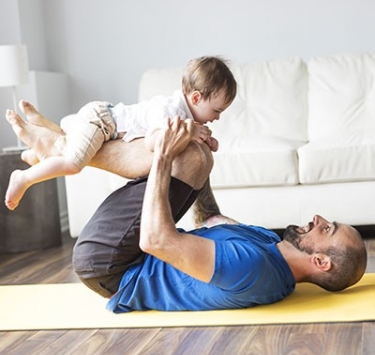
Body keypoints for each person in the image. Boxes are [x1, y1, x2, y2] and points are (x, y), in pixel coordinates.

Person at [4, 105, 368, 312]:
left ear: (322, 262)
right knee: (195, 155)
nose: (318, 220)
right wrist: (201, 151)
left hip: (111, 264)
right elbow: (209, 217)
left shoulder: (256, 268)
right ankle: (62, 150)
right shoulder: (268, 246)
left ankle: (63, 150)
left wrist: (165, 154)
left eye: (327, 229)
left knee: (182, 155)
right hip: (127, 251)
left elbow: (156, 240)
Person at [4, 55, 237, 210]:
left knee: (67, 146)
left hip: (107, 123)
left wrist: (205, 139)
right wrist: (188, 133)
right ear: (195, 98)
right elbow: (152, 141)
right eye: (216, 110)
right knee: (73, 164)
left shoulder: (188, 115)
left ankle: (36, 152)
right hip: (101, 121)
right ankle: (23, 177)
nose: (218, 117)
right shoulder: (171, 110)